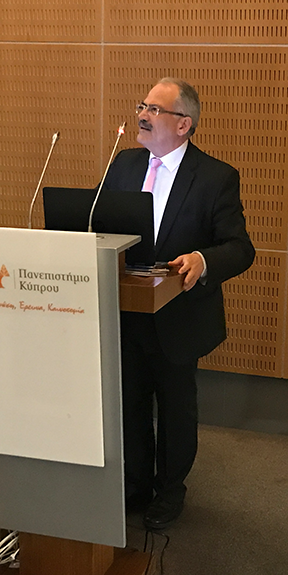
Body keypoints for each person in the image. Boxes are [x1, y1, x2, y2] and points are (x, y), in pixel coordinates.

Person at [103, 78, 255, 530]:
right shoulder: (124, 165)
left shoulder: (215, 177)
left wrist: (203, 259)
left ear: (183, 124)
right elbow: (99, 222)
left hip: (179, 316)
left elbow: (240, 248)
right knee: (129, 404)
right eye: (142, 106)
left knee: (175, 411)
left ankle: (170, 490)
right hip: (126, 310)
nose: (141, 115)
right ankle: (134, 485)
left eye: (154, 109)